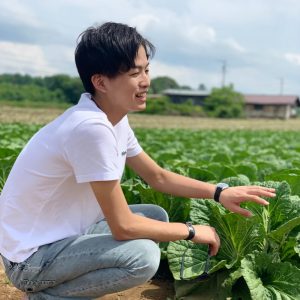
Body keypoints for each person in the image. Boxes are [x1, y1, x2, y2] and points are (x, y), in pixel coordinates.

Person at [0, 22, 275, 300]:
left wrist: (220, 192)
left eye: (146, 69)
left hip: (62, 235)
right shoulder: (90, 128)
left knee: (155, 216)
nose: (146, 81)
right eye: (134, 73)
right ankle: (46, 296)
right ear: (100, 82)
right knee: (143, 256)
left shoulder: (112, 119)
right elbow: (123, 226)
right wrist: (191, 231)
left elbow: (157, 176)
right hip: (29, 259)